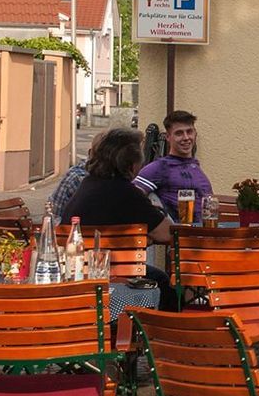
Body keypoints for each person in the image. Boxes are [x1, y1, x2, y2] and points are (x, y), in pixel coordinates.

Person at [66, 128, 176, 307]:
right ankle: (159, 332)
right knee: (162, 281)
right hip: (112, 276)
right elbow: (167, 234)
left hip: (76, 274)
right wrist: (142, 235)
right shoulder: (127, 194)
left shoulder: (87, 186)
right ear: (131, 165)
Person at [134, 109, 213, 221]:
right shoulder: (160, 167)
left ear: (195, 134)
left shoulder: (195, 167)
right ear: (168, 137)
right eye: (179, 133)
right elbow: (131, 198)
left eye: (189, 131)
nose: (186, 138)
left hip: (206, 233)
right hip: (178, 235)